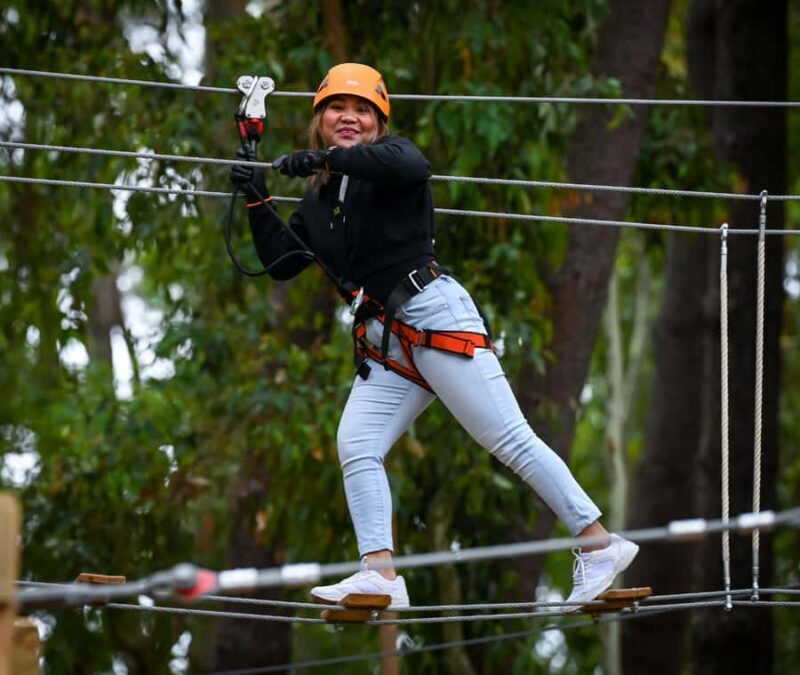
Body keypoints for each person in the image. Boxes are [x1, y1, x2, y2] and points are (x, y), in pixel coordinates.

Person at [230, 63, 638, 609]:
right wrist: (257, 199)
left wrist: (326, 159)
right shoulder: (320, 202)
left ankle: (598, 543)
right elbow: (282, 262)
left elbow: (412, 162)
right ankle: (380, 573)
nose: (348, 117)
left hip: (434, 315)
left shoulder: (389, 164)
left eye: (362, 111)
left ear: (377, 124)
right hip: (388, 341)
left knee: (509, 440)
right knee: (357, 443)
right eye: (336, 108)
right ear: (319, 119)